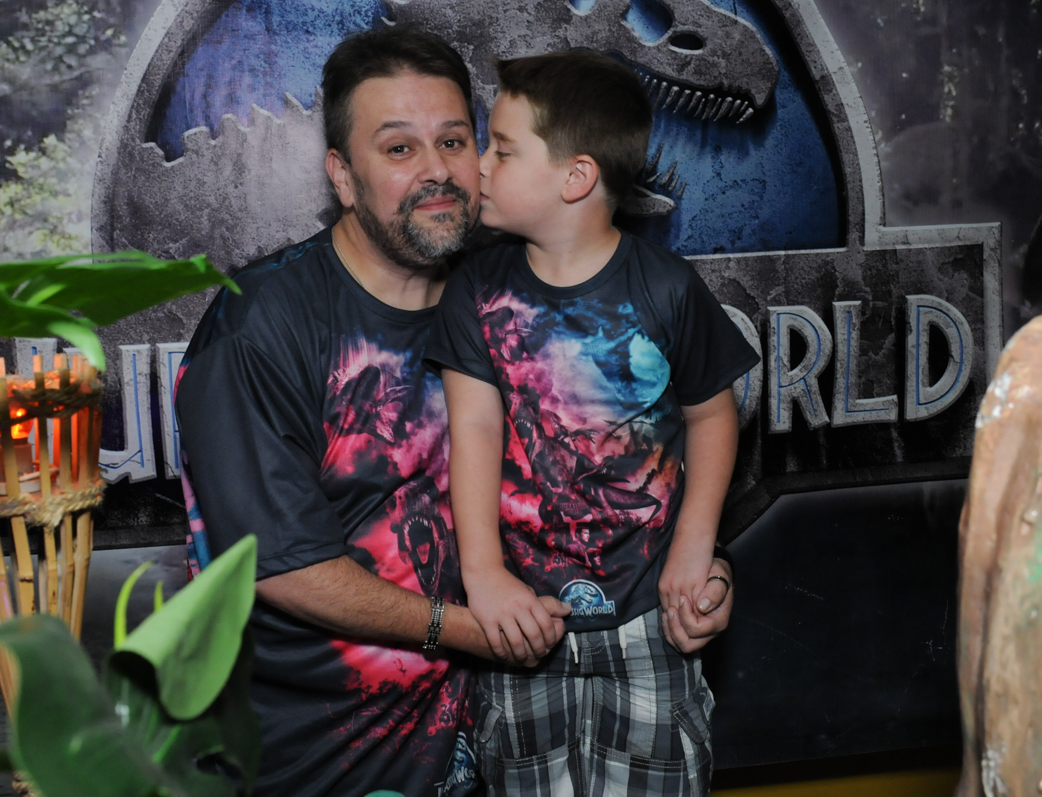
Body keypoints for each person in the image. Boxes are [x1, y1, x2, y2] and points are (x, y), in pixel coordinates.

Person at [174, 26, 573, 797]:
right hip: (308, 761)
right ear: (344, 177)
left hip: (497, 745)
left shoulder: (509, 292)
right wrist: (466, 628)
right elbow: (283, 568)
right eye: (398, 149)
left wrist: (685, 562)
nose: (435, 171)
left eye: (453, 141)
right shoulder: (261, 324)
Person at [425, 51, 757, 796]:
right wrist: (483, 575)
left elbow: (713, 414)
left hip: (649, 619)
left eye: (502, 149)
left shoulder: (667, 287)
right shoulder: (474, 291)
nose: (477, 164)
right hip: (524, 622)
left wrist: (696, 546)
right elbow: (472, 431)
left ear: (575, 178)